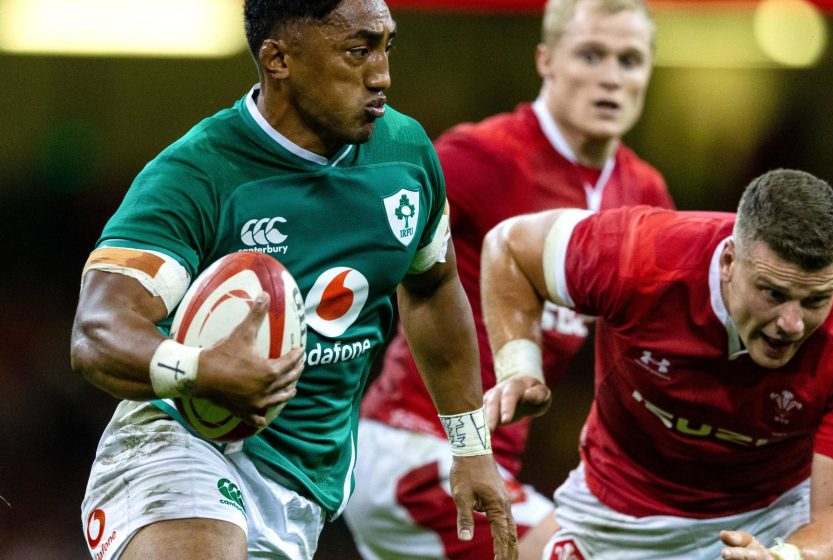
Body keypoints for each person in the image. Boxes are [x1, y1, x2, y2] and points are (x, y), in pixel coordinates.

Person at [69, 1, 518, 559]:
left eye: (386, 47)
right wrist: (199, 370)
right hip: (179, 443)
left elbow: (431, 287)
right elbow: (97, 331)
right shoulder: (197, 174)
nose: (382, 75)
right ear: (278, 59)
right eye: (357, 52)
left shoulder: (405, 155)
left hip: (306, 480)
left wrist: (470, 446)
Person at [343, 0, 673, 558]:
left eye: (630, 60)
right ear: (546, 59)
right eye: (591, 55)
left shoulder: (644, 196)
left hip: (493, 465)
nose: (612, 77)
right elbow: (359, 246)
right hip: (416, 447)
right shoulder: (482, 157)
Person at [481, 169, 833, 560]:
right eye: (773, 294)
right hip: (619, 510)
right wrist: (519, 364)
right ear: (728, 263)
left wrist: (784, 557)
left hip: (769, 519)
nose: (792, 324)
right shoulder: (640, 257)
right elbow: (510, 248)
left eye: (815, 300)